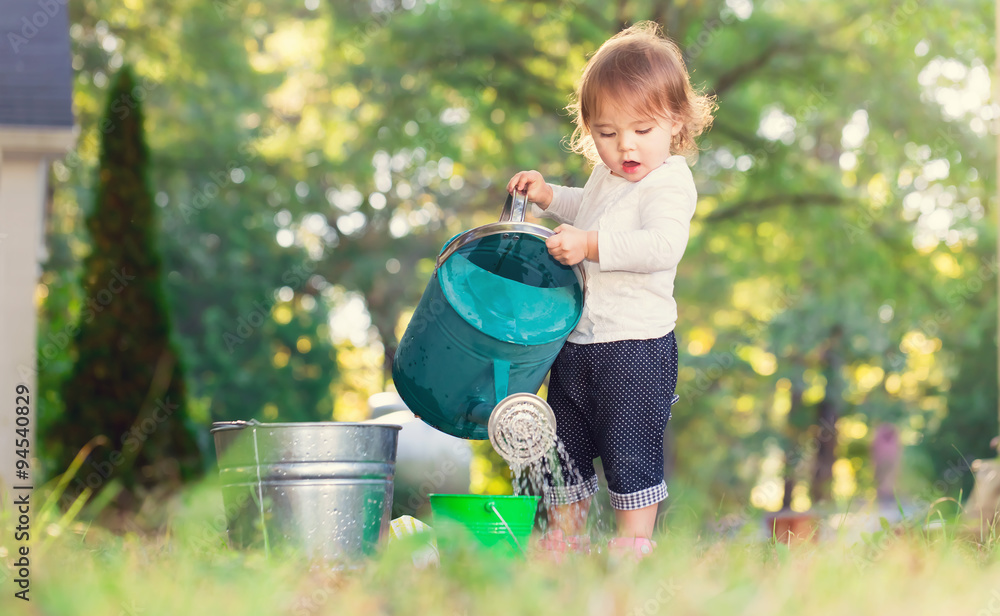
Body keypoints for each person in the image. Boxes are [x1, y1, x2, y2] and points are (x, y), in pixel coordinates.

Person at [506, 21, 715, 560]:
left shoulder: (669, 182)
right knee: (564, 444)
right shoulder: (609, 175)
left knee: (630, 446)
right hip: (578, 343)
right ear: (588, 130)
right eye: (606, 132)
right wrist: (551, 195)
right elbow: (587, 209)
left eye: (642, 130)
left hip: (637, 348)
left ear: (675, 123)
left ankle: (633, 541)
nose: (625, 146)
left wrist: (591, 246)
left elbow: (661, 244)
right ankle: (564, 534)